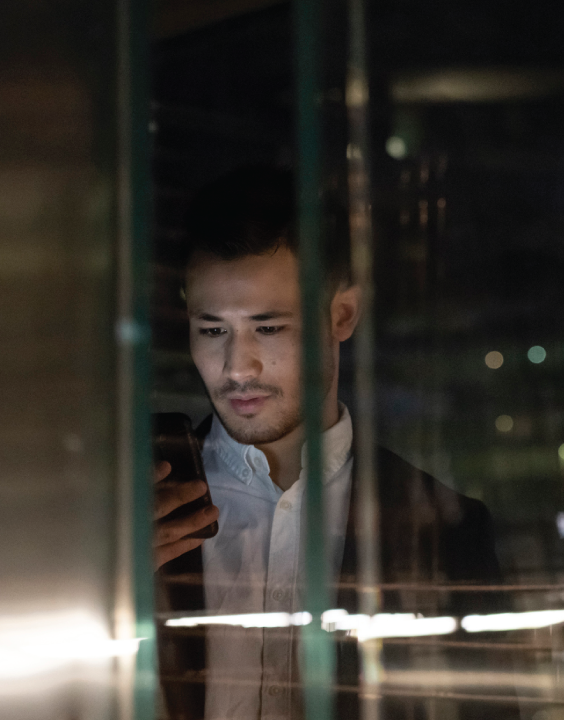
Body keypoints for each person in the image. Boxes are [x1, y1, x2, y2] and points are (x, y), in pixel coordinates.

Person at [152, 166, 504, 720]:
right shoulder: (138, 509)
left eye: (269, 328)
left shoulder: (447, 527)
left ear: (341, 314)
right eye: (213, 329)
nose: (238, 367)